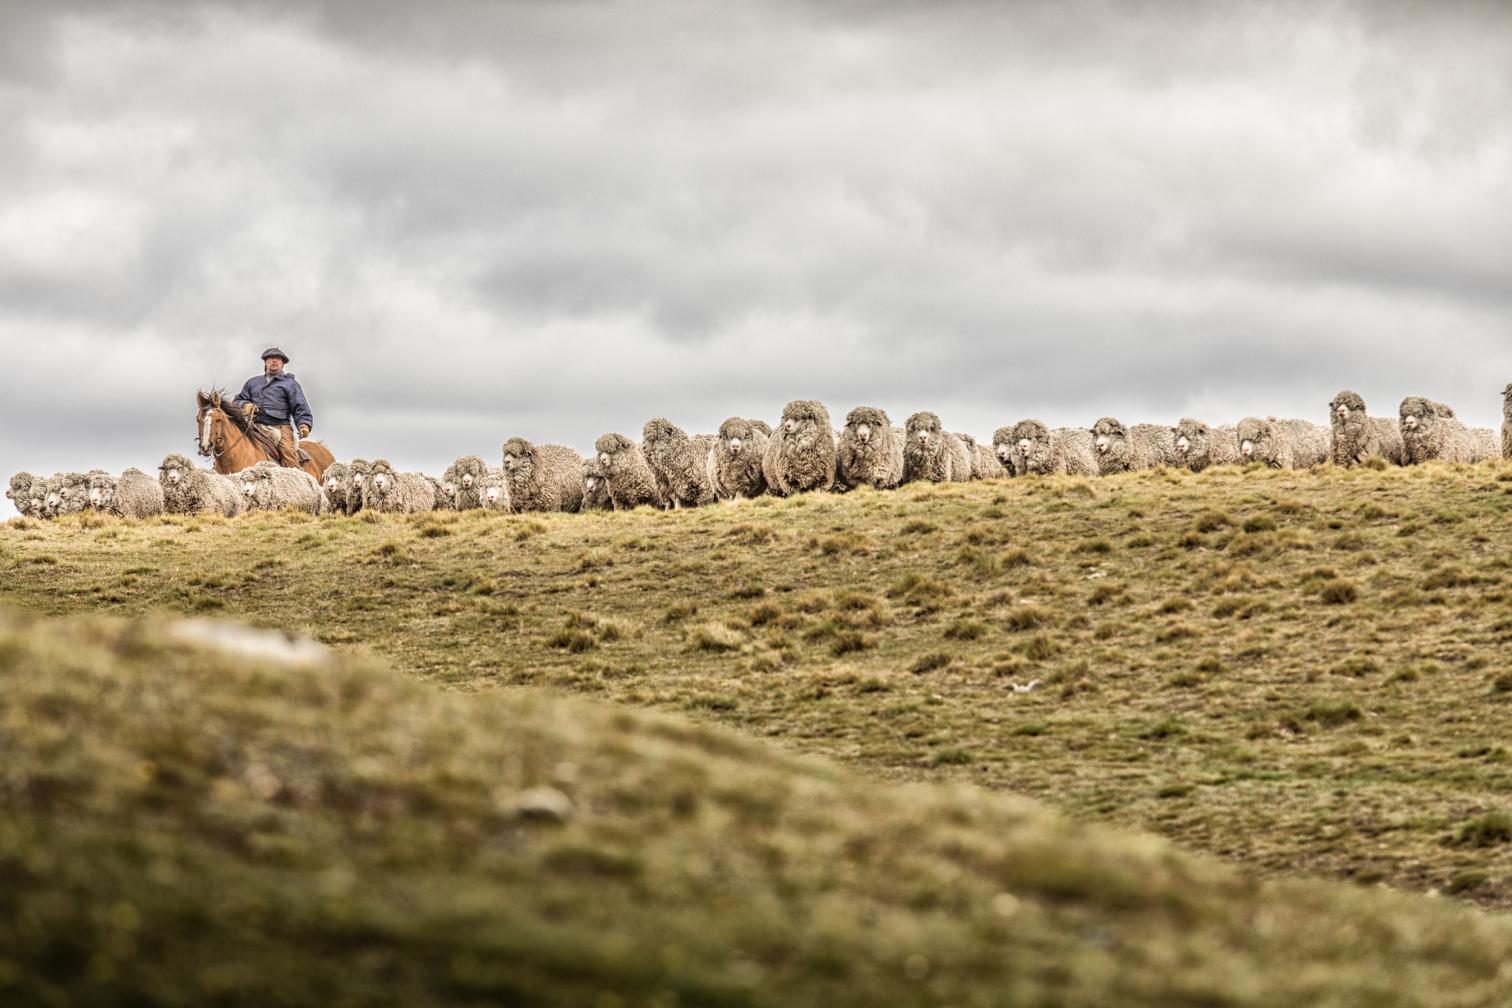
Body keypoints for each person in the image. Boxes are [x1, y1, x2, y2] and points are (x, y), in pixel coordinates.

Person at [232, 348, 314, 467]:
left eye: (278, 359)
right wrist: (245, 405)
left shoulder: (290, 384)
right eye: (271, 358)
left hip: (281, 427)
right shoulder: (252, 382)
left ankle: (293, 479)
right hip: (254, 426)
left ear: (282, 363)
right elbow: (238, 400)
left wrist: (304, 424)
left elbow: (300, 406)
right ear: (265, 362)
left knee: (288, 453)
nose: (274, 360)